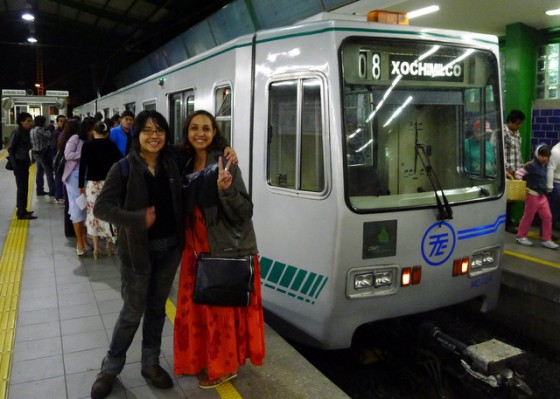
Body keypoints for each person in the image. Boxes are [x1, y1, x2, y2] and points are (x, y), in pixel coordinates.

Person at [90, 110, 184, 399]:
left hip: (169, 251)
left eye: (159, 130)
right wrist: (135, 218)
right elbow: (101, 208)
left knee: (157, 310)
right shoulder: (123, 168)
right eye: (147, 130)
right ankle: (110, 367)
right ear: (137, 135)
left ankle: (150, 363)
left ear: (166, 135)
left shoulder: (172, 165)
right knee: (132, 313)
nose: (153, 135)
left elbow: (205, 147)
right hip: (136, 254)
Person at [173, 110, 265, 389]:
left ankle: (224, 367)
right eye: (194, 128)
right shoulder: (184, 161)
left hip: (221, 249)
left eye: (206, 128)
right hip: (193, 250)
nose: (200, 133)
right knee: (196, 310)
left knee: (219, 313)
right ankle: (201, 359)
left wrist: (226, 189)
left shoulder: (225, 162)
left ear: (214, 132)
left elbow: (245, 212)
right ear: (187, 133)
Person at [78, 121, 122, 259]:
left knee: (93, 213)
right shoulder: (111, 145)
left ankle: (97, 248)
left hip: (93, 184)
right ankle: (109, 245)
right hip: (109, 184)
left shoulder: (87, 145)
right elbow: (121, 161)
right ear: (107, 133)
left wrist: (81, 186)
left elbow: (82, 166)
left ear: (93, 132)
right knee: (109, 212)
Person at [516, 145, 559, 249]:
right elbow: (518, 173)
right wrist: (523, 186)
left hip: (542, 196)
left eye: (547, 156)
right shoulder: (531, 165)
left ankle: (546, 239)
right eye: (542, 155)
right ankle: (521, 236)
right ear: (538, 155)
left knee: (548, 216)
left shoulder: (544, 166)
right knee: (528, 216)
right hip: (532, 195)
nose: (544, 158)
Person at [61, 118, 92, 255]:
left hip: (86, 176)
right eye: (91, 129)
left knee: (85, 208)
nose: (93, 132)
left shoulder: (91, 140)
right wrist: (84, 155)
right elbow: (67, 154)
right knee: (77, 208)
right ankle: (79, 243)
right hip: (74, 177)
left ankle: (84, 239)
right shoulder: (75, 138)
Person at [7, 112, 37, 220]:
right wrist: (15, 166)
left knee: (25, 188)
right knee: (22, 188)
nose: (30, 123)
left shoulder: (26, 131)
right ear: (21, 122)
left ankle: (23, 210)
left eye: (31, 120)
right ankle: (21, 213)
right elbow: (11, 149)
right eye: (28, 121)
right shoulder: (17, 131)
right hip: (19, 164)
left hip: (24, 163)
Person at [504, 110, 526, 233]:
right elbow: (498, 153)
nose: (519, 126)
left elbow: (518, 152)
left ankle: (507, 222)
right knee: (507, 199)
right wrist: (508, 168)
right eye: (517, 123)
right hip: (507, 172)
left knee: (514, 197)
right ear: (510, 121)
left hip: (516, 171)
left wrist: (521, 167)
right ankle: (507, 223)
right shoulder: (503, 133)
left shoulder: (516, 133)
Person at [30, 115, 55, 197]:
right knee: (49, 171)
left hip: (36, 153)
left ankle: (40, 190)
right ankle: (52, 190)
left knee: (40, 172)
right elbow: (49, 136)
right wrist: (49, 130)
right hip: (42, 153)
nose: (46, 123)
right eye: (45, 121)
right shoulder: (38, 130)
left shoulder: (32, 129)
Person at [52, 115, 67, 204]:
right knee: (58, 177)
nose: (63, 123)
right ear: (57, 122)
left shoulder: (64, 133)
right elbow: (53, 147)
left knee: (62, 177)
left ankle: (60, 195)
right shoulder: (56, 133)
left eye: (64, 121)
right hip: (58, 158)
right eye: (61, 121)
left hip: (62, 158)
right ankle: (58, 196)